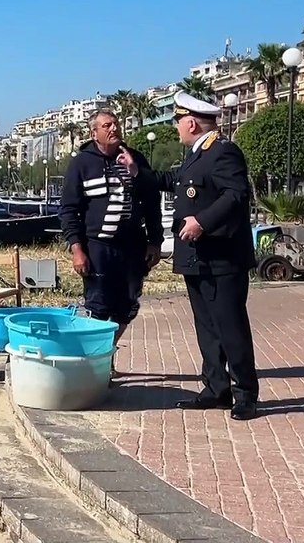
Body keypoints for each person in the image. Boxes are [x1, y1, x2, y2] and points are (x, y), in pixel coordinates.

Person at [117, 91, 259, 420]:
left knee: (230, 327)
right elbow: (174, 181)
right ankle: (216, 388)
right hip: (198, 258)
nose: (177, 127)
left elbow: (236, 195)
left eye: (178, 121)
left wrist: (202, 222)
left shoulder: (223, 152)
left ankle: (245, 394)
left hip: (223, 258)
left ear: (191, 122)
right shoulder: (197, 155)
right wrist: (137, 171)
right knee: (207, 327)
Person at [58, 109, 163, 376]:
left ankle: (107, 354)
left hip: (132, 247)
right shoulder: (82, 163)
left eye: (116, 123)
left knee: (127, 305)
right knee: (97, 305)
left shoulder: (134, 158)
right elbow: (69, 209)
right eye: (107, 125)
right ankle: (96, 364)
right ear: (94, 133)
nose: (114, 128)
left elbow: (152, 203)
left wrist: (155, 241)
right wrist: (77, 249)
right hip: (97, 248)